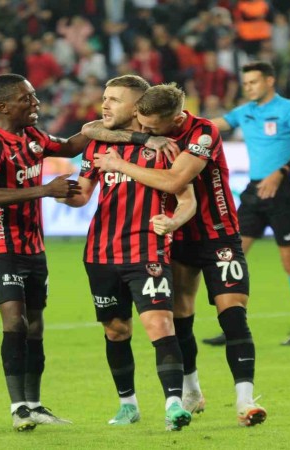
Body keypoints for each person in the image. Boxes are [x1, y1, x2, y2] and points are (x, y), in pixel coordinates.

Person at [91, 83, 267, 427]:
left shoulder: (203, 132)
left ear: (174, 119)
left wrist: (120, 164)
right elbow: (90, 130)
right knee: (181, 317)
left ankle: (245, 401)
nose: (145, 130)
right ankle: (192, 390)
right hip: (175, 236)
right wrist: (141, 138)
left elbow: (174, 181)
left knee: (233, 315)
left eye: (152, 127)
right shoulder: (147, 128)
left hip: (218, 234)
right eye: (142, 125)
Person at [60, 75, 197, 430]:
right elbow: (82, 195)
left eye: (114, 99)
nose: (104, 104)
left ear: (136, 108)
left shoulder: (165, 147)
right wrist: (55, 191)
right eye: (104, 97)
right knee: (116, 330)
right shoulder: (98, 144)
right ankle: (128, 405)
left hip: (147, 250)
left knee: (160, 323)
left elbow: (187, 200)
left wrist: (173, 221)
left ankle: (173, 405)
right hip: (100, 253)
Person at [0, 73, 88, 431]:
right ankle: (18, 407)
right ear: (3, 106)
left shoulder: (33, 137)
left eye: (34, 96)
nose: (35, 103)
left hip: (32, 246)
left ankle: (34, 405)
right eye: (27, 98)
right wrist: (45, 190)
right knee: (15, 320)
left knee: (35, 325)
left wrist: (106, 126)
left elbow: (70, 146)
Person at [205, 61, 290, 346]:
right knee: (231, 259)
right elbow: (211, 125)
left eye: (253, 82)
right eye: (245, 83)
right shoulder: (245, 112)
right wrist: (173, 119)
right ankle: (232, 327)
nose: (248, 87)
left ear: (269, 81)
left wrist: (280, 173)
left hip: (281, 191)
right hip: (254, 193)